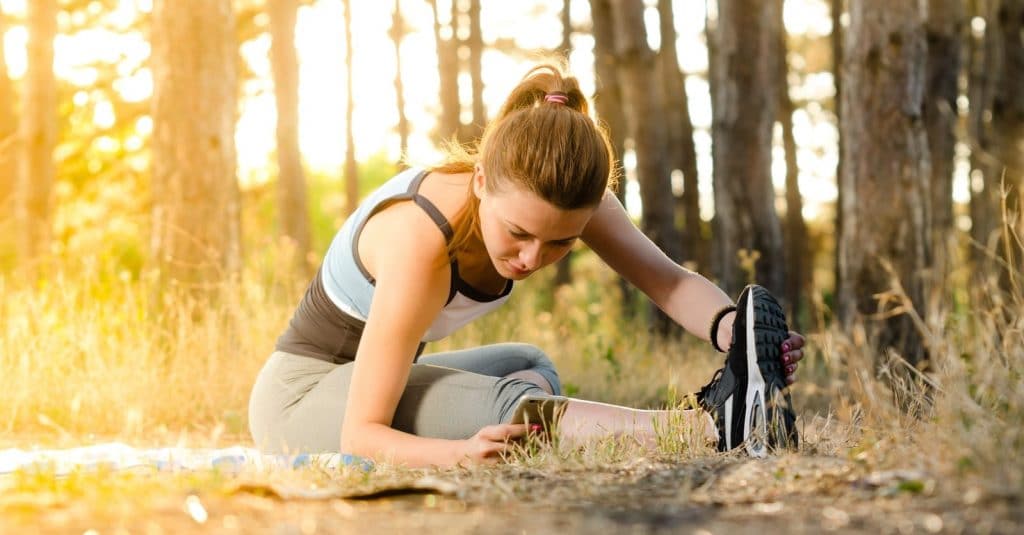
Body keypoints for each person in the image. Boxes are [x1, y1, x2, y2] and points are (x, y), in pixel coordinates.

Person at [248, 64, 806, 467]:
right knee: (512, 409)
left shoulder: (564, 197)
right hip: (300, 402)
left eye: (560, 243)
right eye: (518, 233)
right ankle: (707, 428)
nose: (533, 258)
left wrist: (737, 334)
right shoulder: (421, 240)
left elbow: (670, 282)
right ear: (482, 182)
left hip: (372, 382)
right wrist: (456, 453)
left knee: (530, 365)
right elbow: (360, 434)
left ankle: (734, 408)